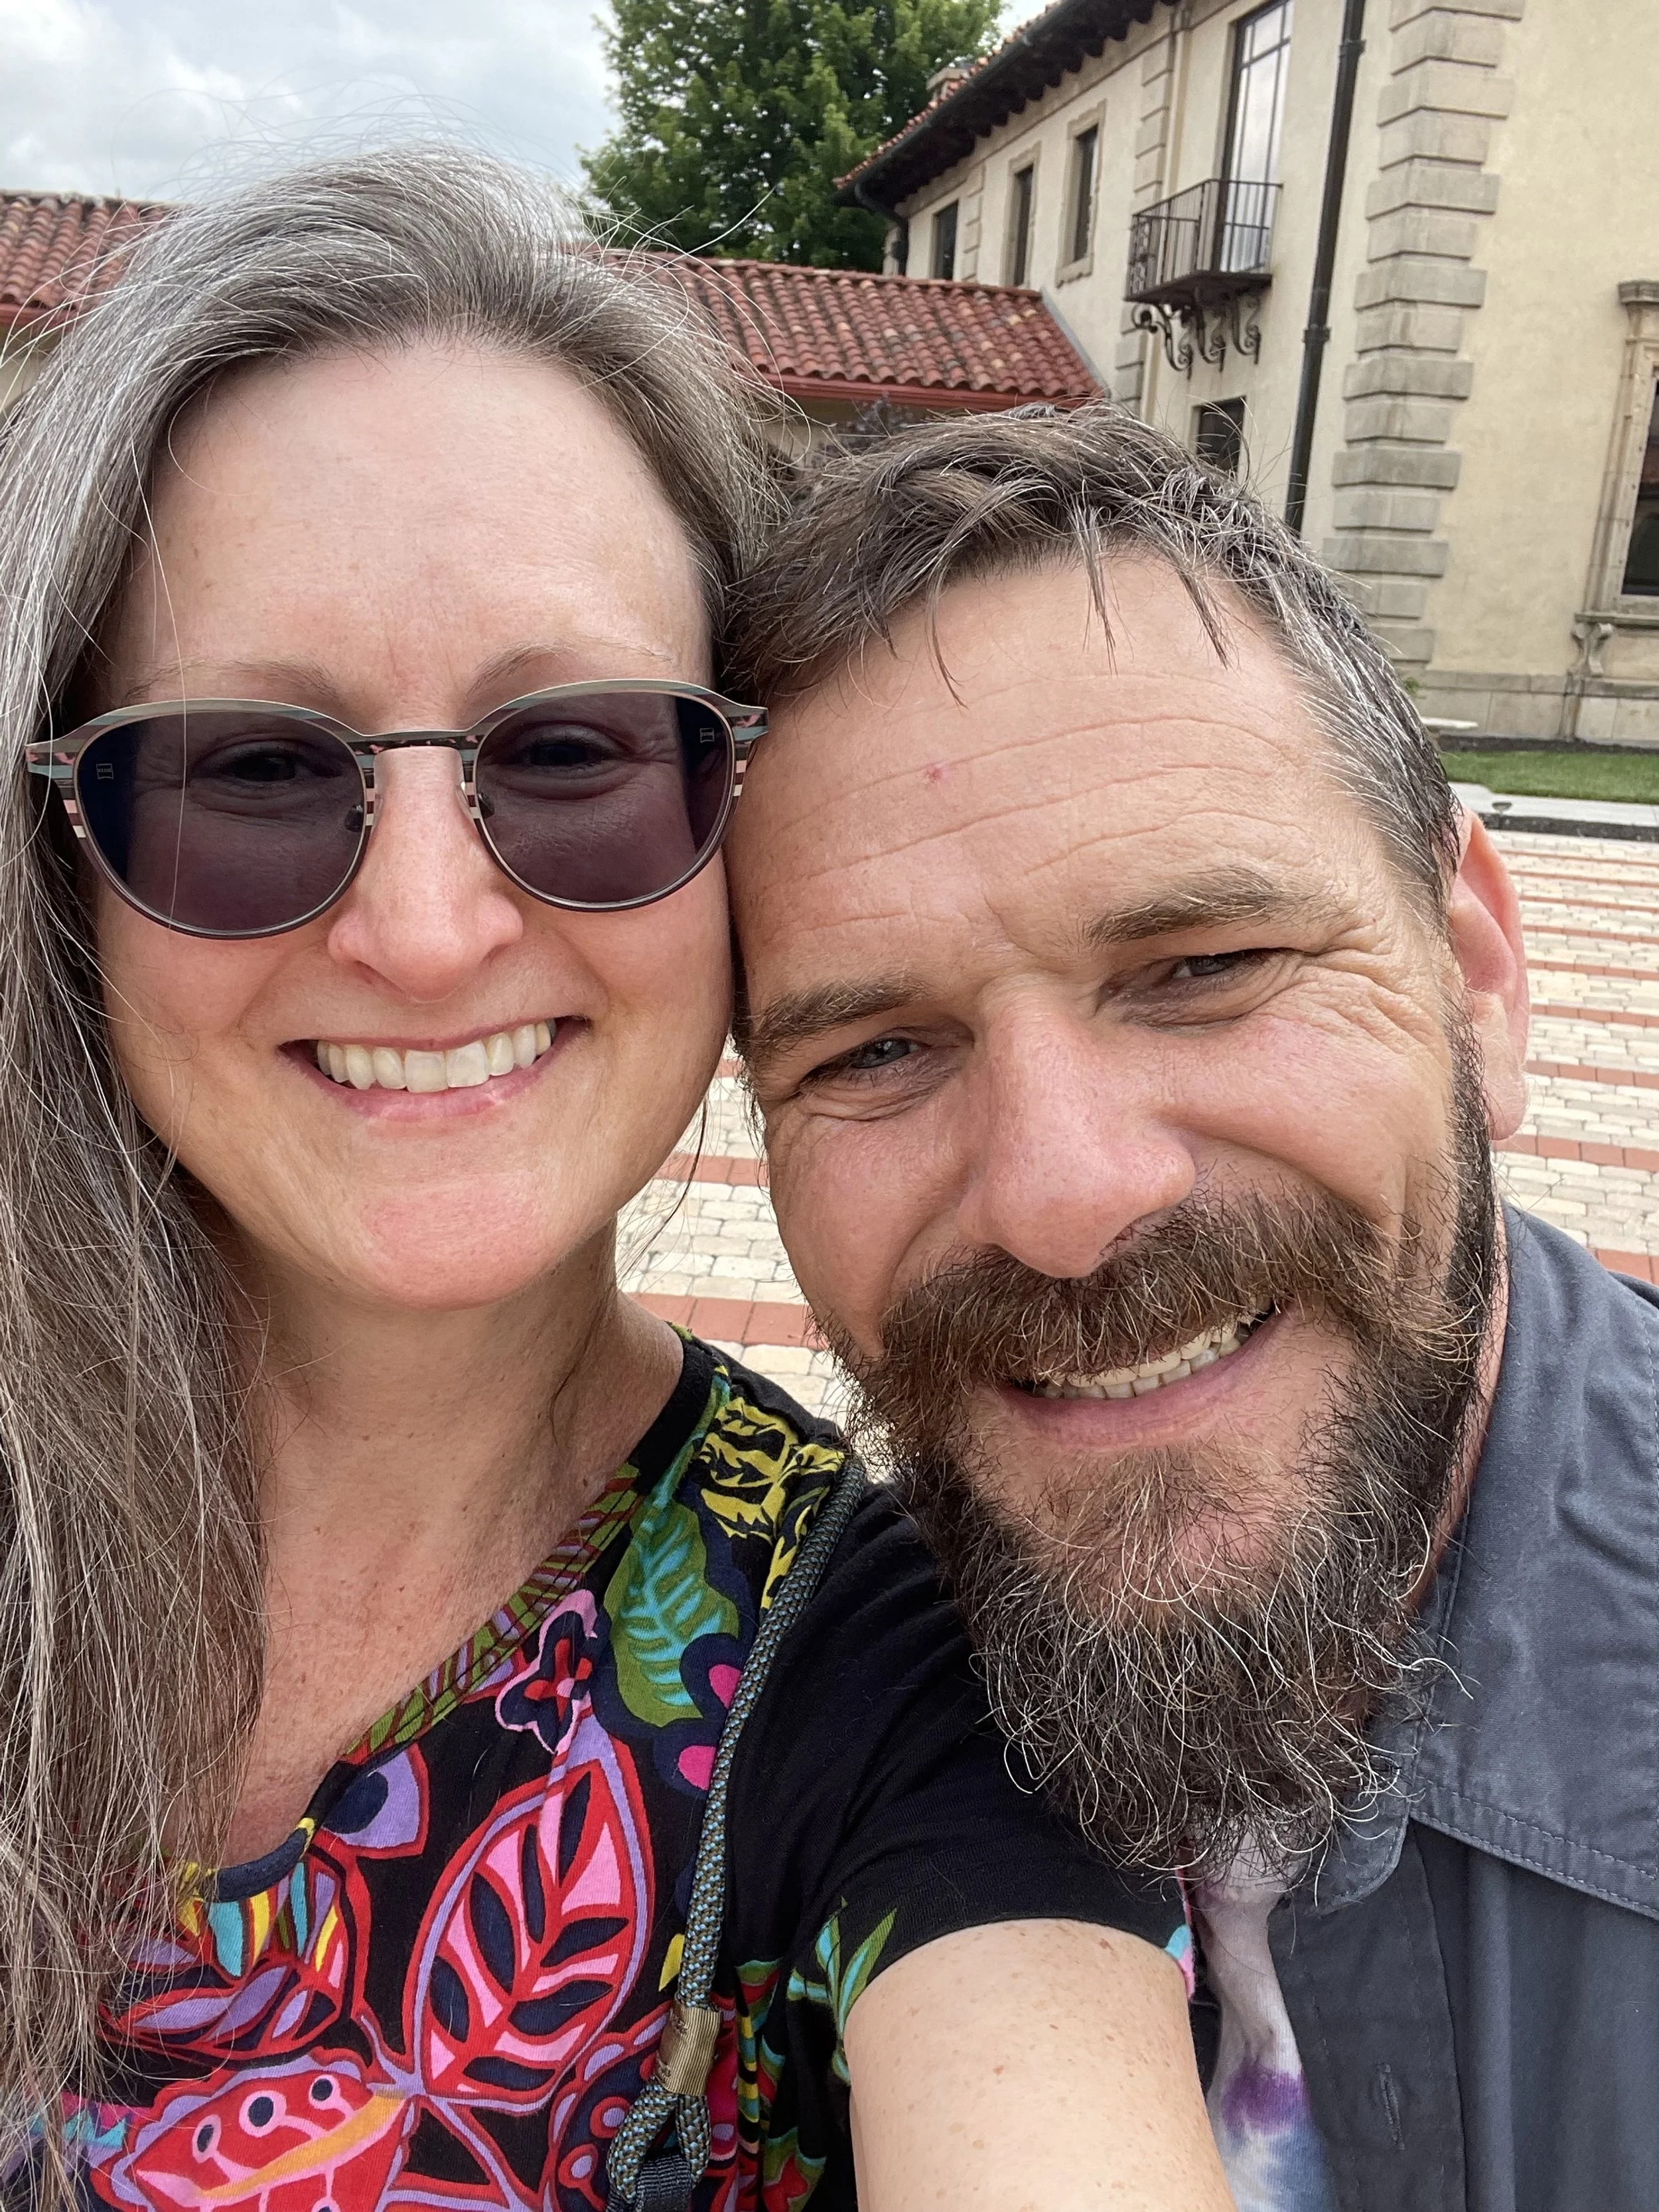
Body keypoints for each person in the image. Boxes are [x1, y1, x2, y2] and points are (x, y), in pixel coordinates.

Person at [0, 162, 1231, 2212]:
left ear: (742, 817)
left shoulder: (907, 1688)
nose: (418, 927)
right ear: (69, 865)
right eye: (251, 769)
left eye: (571, 752)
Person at [725, 402, 1659, 2212]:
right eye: (877, 1045)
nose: (1065, 1199)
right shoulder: (738, 1703)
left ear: (1474, 977)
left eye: (1202, 967)